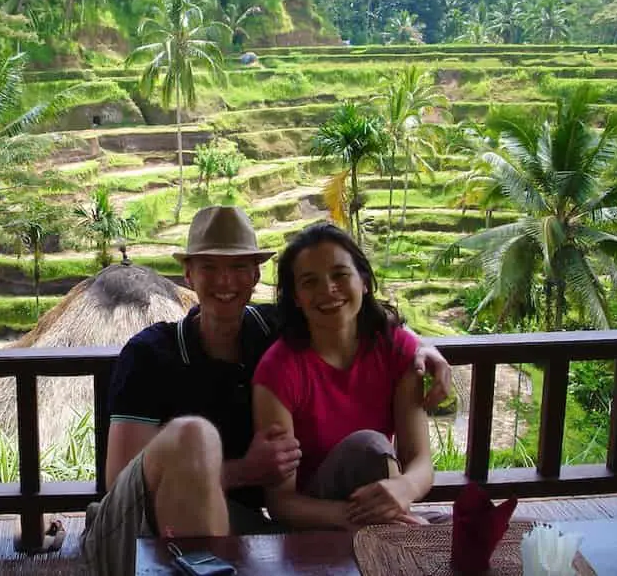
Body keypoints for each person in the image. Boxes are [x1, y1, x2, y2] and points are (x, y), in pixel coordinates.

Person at [80, 206, 451, 575]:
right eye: (209, 267)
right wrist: (244, 470)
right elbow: (120, 481)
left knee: (367, 449)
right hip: (136, 534)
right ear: (189, 274)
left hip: (238, 525)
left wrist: (420, 347)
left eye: (239, 267)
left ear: (256, 275)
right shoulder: (149, 354)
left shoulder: (276, 332)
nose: (225, 281)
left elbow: (351, 312)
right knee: (194, 436)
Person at [252, 222, 433, 531]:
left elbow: (420, 461)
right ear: (296, 297)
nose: (327, 290)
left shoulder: (396, 349)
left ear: (363, 281)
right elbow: (282, 503)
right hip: (315, 521)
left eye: (340, 275)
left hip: (385, 505)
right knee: (369, 446)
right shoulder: (279, 370)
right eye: (310, 282)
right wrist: (364, 519)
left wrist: (404, 489)